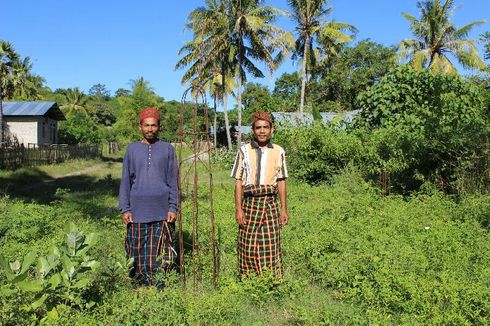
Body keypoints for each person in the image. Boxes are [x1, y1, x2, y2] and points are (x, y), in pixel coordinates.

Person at [118, 107, 179, 287]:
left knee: (162, 251)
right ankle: (139, 285)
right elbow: (125, 181)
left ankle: (160, 286)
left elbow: (173, 180)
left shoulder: (167, 149)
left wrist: (173, 207)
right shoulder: (132, 149)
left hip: (162, 212)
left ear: (159, 127)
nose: (150, 129)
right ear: (140, 127)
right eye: (146, 125)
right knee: (137, 251)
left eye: (153, 125)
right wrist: (125, 208)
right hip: (137, 212)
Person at [230, 111, 289, 277]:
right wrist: (238, 209)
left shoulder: (279, 151)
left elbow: (281, 181)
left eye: (265, 127)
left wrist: (284, 208)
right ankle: (249, 279)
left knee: (270, 243)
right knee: (247, 244)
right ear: (253, 130)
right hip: (249, 204)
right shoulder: (244, 151)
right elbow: (238, 181)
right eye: (258, 128)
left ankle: (271, 279)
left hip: (270, 203)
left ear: (271, 129)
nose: (262, 131)